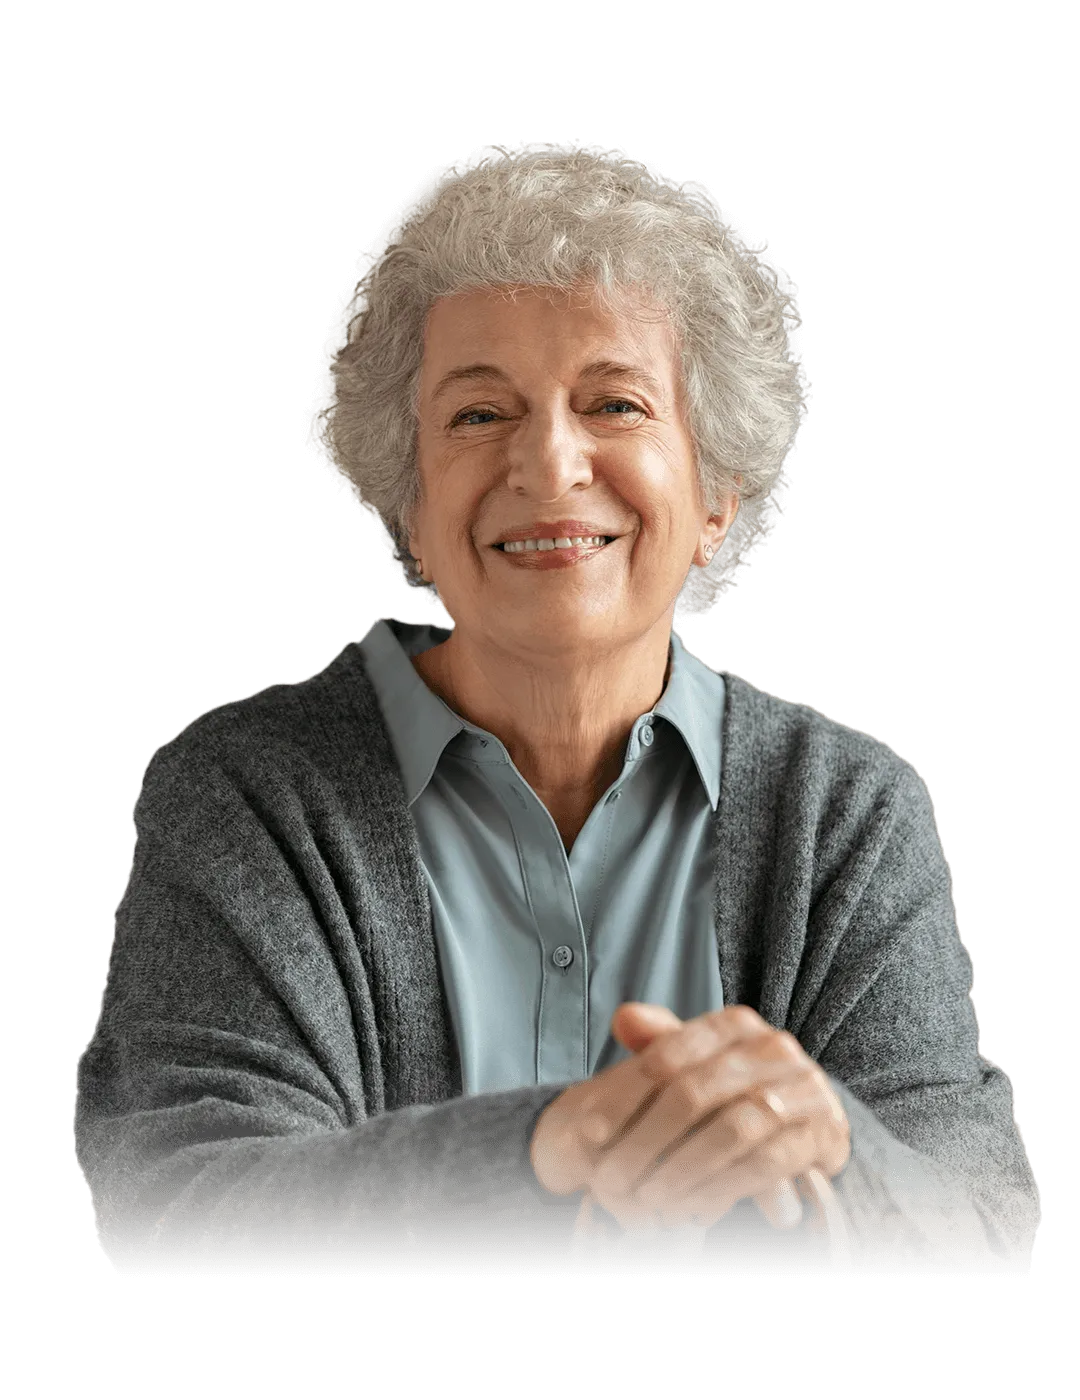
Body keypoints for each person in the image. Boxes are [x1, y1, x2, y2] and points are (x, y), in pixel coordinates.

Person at [72, 141, 1039, 1271]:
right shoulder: (242, 791)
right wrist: (546, 1148)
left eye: (615, 401)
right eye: (479, 415)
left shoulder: (847, 810)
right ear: (412, 509)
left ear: (719, 491)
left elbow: (982, 1229)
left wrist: (837, 1152)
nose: (550, 461)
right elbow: (174, 1213)